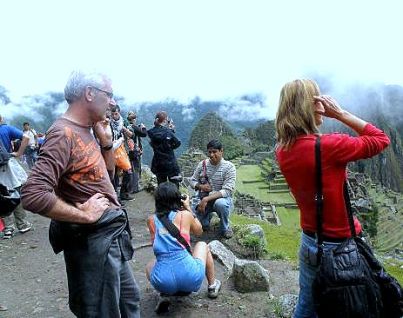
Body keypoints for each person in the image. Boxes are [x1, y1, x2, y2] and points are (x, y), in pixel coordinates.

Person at [21, 70, 140, 317]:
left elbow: (105, 178)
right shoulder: (63, 134)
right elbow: (32, 193)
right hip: (94, 242)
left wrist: (106, 143)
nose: (113, 102)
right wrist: (82, 215)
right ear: (89, 93)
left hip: (111, 236)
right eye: (109, 95)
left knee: (130, 301)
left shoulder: (87, 129)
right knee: (105, 311)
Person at [274, 79, 390, 318]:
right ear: (304, 107)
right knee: (361, 303)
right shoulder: (329, 146)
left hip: (309, 241)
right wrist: (341, 114)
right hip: (342, 245)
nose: (321, 107)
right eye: (317, 101)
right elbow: (380, 139)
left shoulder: (282, 149)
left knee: (307, 304)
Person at [145, 182, 221, 313]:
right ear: (177, 198)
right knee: (202, 245)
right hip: (191, 278)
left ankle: (164, 294)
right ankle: (212, 286)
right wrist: (188, 208)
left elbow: (156, 247)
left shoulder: (151, 220)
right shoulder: (185, 215)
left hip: (163, 281)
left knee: (150, 265)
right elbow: (199, 231)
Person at [190, 139, 236, 239]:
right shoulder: (202, 165)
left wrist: (206, 199)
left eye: (214, 151)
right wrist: (201, 186)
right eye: (209, 152)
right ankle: (207, 218)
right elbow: (192, 181)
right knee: (200, 226)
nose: (211, 155)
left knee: (220, 204)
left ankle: (225, 227)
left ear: (221, 151)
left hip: (220, 200)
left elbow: (227, 190)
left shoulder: (229, 167)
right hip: (204, 199)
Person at [0, 115, 32, 239]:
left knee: (1, 196)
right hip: (6, 166)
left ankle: (8, 228)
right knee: (15, 193)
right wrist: (19, 153)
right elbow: (26, 137)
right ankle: (22, 224)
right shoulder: (6, 129)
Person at [148, 111, 181, 186]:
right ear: (165, 120)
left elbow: (152, 142)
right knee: (174, 184)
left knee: (161, 184)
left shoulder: (150, 132)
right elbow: (178, 142)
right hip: (170, 163)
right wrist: (170, 147)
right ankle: (174, 197)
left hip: (158, 162)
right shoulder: (168, 132)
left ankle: (161, 197)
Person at [110, 105, 136, 201]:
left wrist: (124, 129)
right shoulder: (108, 122)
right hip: (111, 151)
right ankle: (115, 198)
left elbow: (132, 135)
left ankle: (124, 193)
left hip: (122, 150)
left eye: (116, 113)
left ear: (119, 112)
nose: (114, 116)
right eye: (112, 114)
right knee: (114, 174)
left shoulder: (123, 122)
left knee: (128, 171)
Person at [125, 111, 147, 193]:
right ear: (134, 119)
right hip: (135, 152)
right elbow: (144, 134)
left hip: (128, 151)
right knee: (136, 169)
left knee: (130, 169)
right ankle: (135, 188)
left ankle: (129, 187)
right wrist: (143, 127)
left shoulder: (127, 127)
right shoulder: (134, 127)